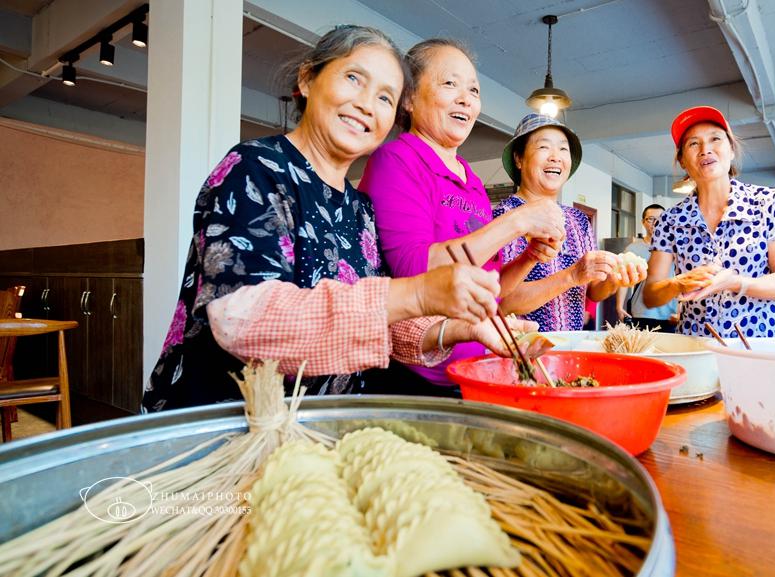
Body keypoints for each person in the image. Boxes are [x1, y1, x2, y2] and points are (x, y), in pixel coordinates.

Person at [143, 26, 537, 412]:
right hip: (225, 429)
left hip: (318, 431)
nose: (367, 104)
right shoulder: (255, 169)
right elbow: (245, 320)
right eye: (354, 78)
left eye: (385, 97)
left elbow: (379, 322)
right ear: (307, 78)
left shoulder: (359, 209)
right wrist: (418, 293)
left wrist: (462, 328)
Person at [360, 39, 565, 389]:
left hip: (478, 367)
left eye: (473, 90)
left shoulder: (470, 179)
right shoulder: (395, 160)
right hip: (418, 375)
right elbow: (416, 269)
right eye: (449, 83)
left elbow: (489, 288)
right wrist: (515, 221)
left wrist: (529, 256)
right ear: (408, 98)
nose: (466, 99)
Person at [643, 106, 775, 338]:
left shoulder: (770, 203)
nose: (705, 150)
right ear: (682, 160)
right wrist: (678, 283)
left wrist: (736, 283)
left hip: (761, 342)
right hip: (697, 345)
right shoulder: (669, 220)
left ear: (731, 150)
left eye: (715, 139)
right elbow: (650, 294)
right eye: (693, 143)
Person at [493, 113, 646, 332]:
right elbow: (504, 302)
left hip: (570, 349)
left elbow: (593, 290)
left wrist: (614, 279)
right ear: (519, 158)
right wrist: (571, 275)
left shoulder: (578, 221)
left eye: (563, 149)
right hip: (521, 351)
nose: (556, 157)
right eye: (544, 147)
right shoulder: (505, 217)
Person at [616, 204, 677, 331]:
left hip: (671, 313)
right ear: (643, 222)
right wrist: (619, 306)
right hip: (642, 312)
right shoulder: (633, 249)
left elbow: (683, 277)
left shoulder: (675, 248)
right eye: (650, 219)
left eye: (660, 219)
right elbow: (623, 280)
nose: (655, 223)